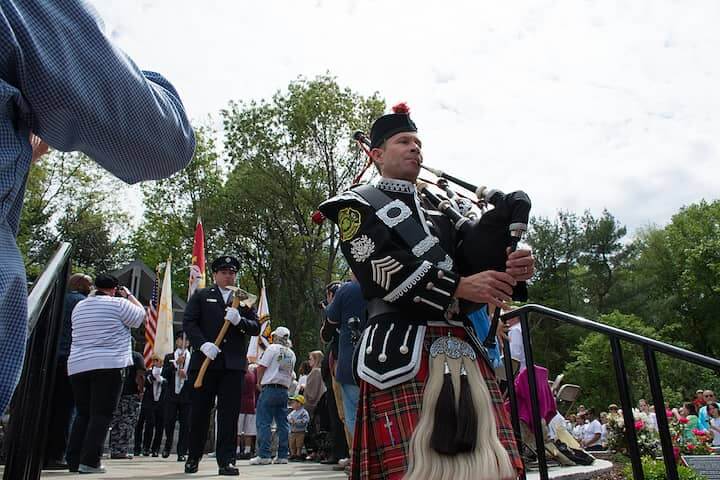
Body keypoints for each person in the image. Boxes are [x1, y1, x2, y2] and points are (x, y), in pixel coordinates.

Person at [0, 1, 196, 416]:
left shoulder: (82, 305)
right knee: (93, 421)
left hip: (76, 364)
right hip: (104, 363)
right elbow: (164, 142)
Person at [318, 104, 533, 480]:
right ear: (377, 154)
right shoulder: (355, 206)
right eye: (404, 141)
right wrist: (459, 286)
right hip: (399, 351)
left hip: (461, 348)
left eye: (418, 142)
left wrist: (510, 256)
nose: (415, 148)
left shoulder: (441, 211)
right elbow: (378, 268)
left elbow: (473, 260)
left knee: (487, 467)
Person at [183, 256, 260, 476]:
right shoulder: (202, 295)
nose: (229, 276)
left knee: (229, 415)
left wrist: (240, 321)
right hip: (205, 363)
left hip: (232, 365)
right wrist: (202, 344)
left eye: (232, 272)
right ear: (215, 274)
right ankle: (193, 456)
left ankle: (226, 460)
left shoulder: (243, 299)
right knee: (199, 413)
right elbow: (189, 322)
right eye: (224, 272)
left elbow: (255, 328)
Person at [66, 274, 146, 473]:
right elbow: (140, 316)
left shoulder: (80, 306)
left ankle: (74, 459)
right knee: (101, 414)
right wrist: (128, 295)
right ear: (114, 288)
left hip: (78, 364)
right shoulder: (119, 304)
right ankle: (90, 461)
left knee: (83, 413)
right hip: (109, 364)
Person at [43, 273, 92, 470]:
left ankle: (44, 451)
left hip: (50, 358)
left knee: (49, 408)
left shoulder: (56, 299)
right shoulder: (81, 303)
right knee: (67, 409)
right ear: (82, 285)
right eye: (89, 284)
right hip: (70, 358)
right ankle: (57, 454)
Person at [324, 275, 366, 451]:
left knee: (352, 413)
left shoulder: (347, 289)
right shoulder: (381, 284)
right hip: (380, 359)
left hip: (350, 360)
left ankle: (357, 456)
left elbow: (330, 321)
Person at [250, 326, 296, 466]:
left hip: (270, 388)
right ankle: (282, 455)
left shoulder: (272, 349)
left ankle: (264, 455)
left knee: (264, 422)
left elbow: (262, 366)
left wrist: (258, 382)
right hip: (283, 390)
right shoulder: (291, 353)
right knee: (283, 424)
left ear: (276, 337)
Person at [109, 349, 145, 459]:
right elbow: (140, 375)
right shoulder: (137, 356)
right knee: (127, 424)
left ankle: (113, 449)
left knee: (115, 423)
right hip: (131, 395)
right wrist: (141, 390)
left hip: (115, 393)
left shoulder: (115, 354)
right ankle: (120, 451)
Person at [161, 331, 192, 461]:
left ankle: (182, 452)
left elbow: (196, 376)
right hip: (171, 395)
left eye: (185, 340)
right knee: (169, 422)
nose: (182, 342)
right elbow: (164, 374)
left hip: (186, 396)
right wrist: (175, 365)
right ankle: (167, 446)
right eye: (180, 339)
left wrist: (187, 376)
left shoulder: (193, 358)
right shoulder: (169, 357)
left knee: (185, 425)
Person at [135, 358, 167, 456]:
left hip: (162, 402)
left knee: (160, 426)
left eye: (160, 361)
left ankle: (155, 449)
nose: (158, 363)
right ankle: (146, 447)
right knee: (149, 424)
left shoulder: (166, 371)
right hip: (149, 402)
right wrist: (155, 376)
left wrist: (162, 379)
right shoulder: (148, 372)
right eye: (156, 361)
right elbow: (147, 382)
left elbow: (168, 384)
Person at [236, 363, 258, 460]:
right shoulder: (252, 375)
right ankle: (247, 451)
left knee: (238, 431)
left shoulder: (241, 375)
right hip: (251, 404)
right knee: (249, 431)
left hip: (240, 404)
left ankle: (236, 450)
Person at [288, 394, 310, 461]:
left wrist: (297, 422)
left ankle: (298, 455)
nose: (292, 404)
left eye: (293, 402)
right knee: (292, 444)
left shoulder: (304, 412)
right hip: (293, 431)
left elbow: (306, 420)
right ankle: (293, 454)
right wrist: (290, 420)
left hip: (300, 431)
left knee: (299, 444)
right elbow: (288, 417)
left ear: (299, 403)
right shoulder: (293, 412)